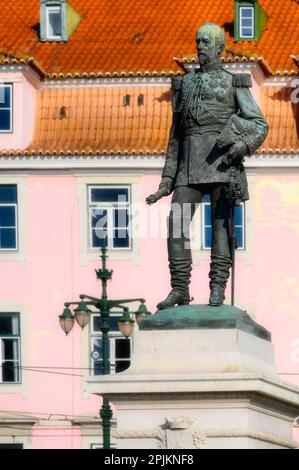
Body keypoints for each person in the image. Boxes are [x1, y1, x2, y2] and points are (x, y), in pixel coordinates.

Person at [146, 23, 268, 309]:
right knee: (175, 223)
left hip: (222, 164)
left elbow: (259, 124)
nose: (200, 46)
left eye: (205, 41)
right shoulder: (185, 84)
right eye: (198, 40)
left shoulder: (233, 82)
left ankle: (217, 288)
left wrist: (243, 146)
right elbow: (175, 135)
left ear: (218, 47)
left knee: (220, 228)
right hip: (188, 165)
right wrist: (167, 179)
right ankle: (179, 288)